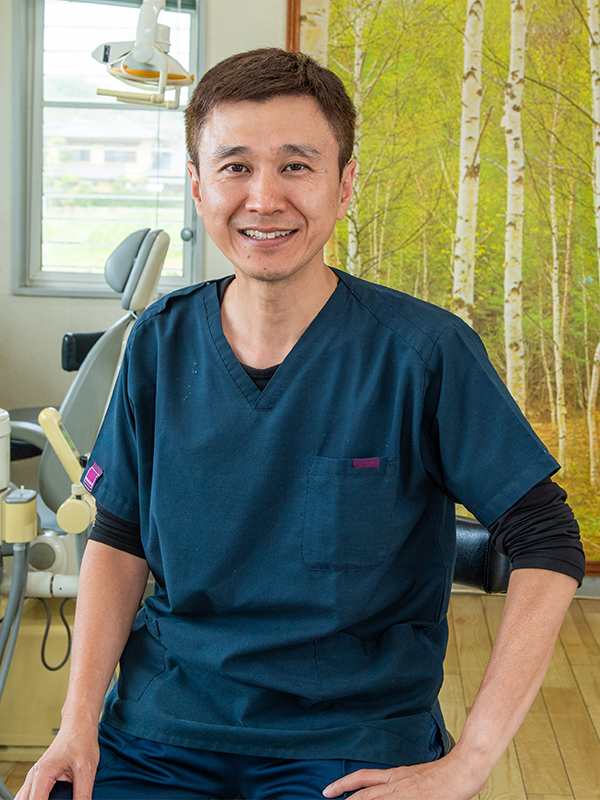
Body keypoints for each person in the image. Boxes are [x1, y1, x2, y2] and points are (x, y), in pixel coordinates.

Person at [17, 48, 585, 800]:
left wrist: (472, 760)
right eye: (235, 167)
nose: (263, 198)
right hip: (163, 728)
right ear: (198, 186)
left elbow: (546, 538)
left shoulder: (423, 353)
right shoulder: (158, 342)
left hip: (348, 741)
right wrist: (76, 723)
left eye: (295, 166)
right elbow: (118, 536)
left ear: (344, 185)